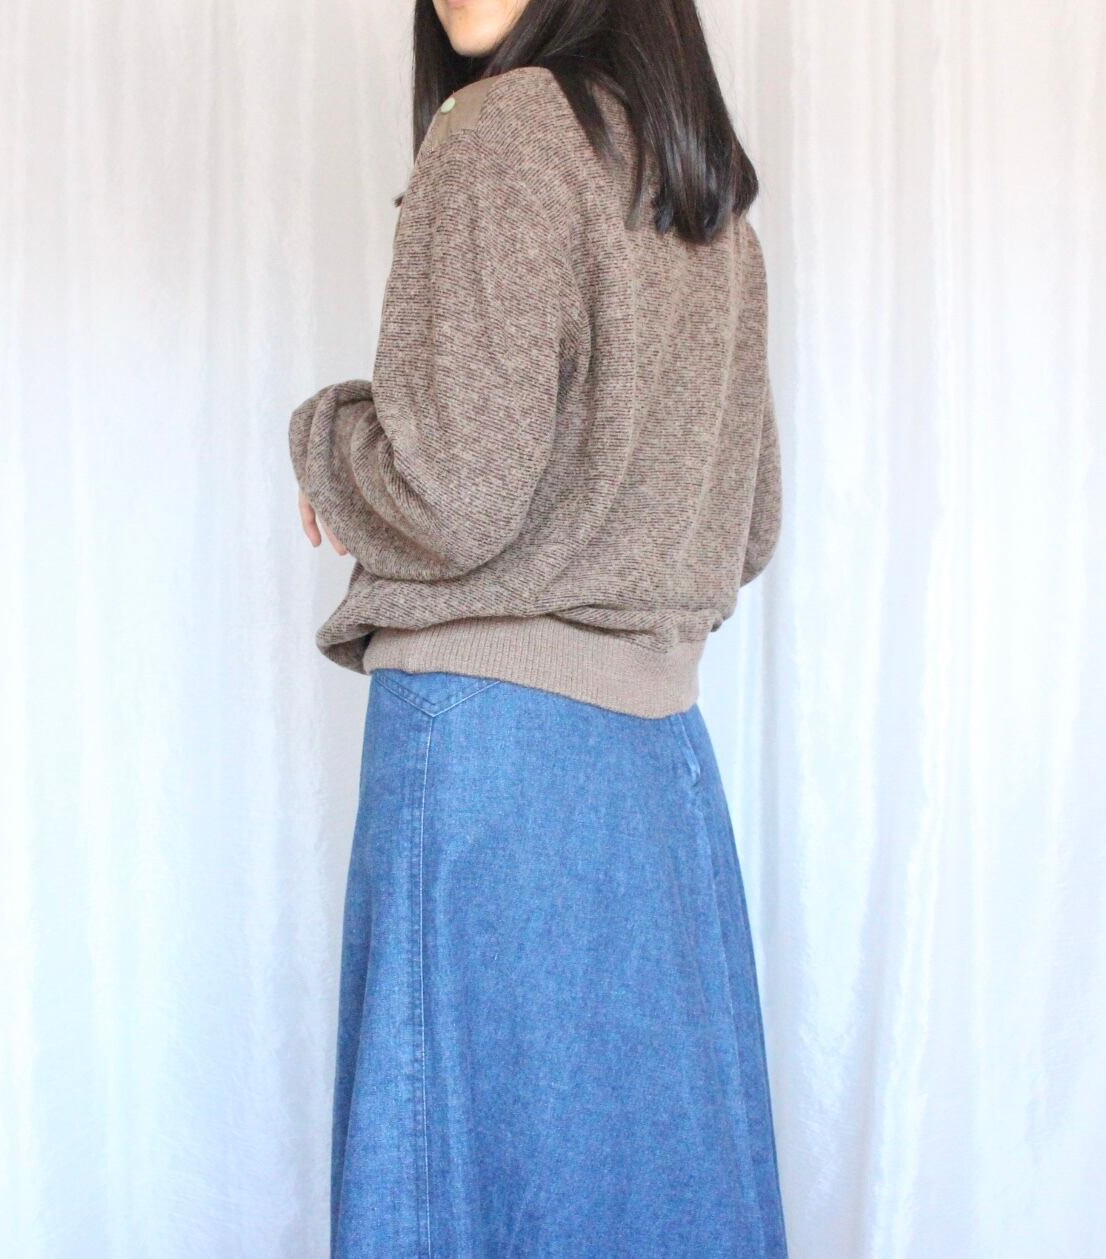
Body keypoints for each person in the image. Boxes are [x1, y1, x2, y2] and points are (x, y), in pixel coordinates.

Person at [288, 0, 786, 1254]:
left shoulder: (503, 129)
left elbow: (448, 493)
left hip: (487, 766)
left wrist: (324, 439)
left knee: (460, 1198)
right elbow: (747, 524)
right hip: (657, 778)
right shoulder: (703, 198)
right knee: (650, 1204)